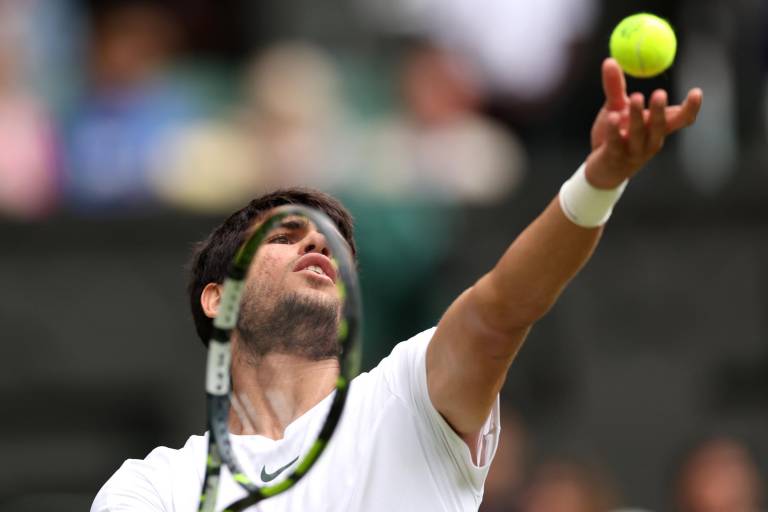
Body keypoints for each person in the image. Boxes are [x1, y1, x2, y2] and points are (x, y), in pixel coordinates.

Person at [91, 58, 702, 511]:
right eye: (284, 236)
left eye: (329, 245)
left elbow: (502, 308)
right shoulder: (155, 488)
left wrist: (599, 182)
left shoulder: (408, 398)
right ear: (218, 299)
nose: (316, 246)